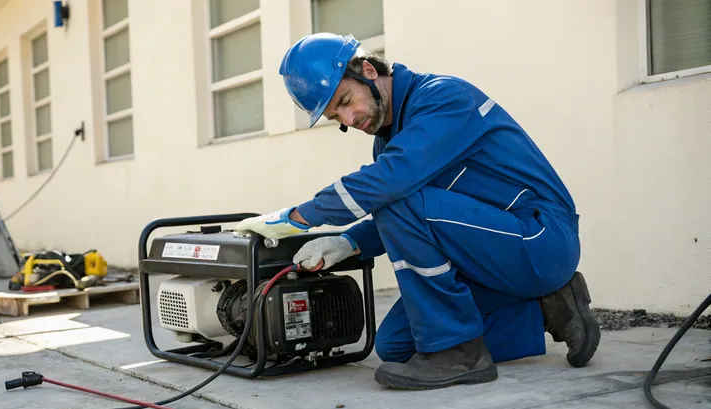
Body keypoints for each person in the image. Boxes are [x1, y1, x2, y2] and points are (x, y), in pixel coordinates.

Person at [235, 33, 601, 390]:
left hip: (540, 238)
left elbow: (396, 190)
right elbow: (420, 215)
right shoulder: (389, 143)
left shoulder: (443, 97)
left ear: (368, 70)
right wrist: (348, 242)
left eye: (346, 100)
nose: (349, 118)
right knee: (397, 346)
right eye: (336, 117)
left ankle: (458, 351)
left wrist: (299, 216)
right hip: (490, 256)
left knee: (400, 205)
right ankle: (545, 306)